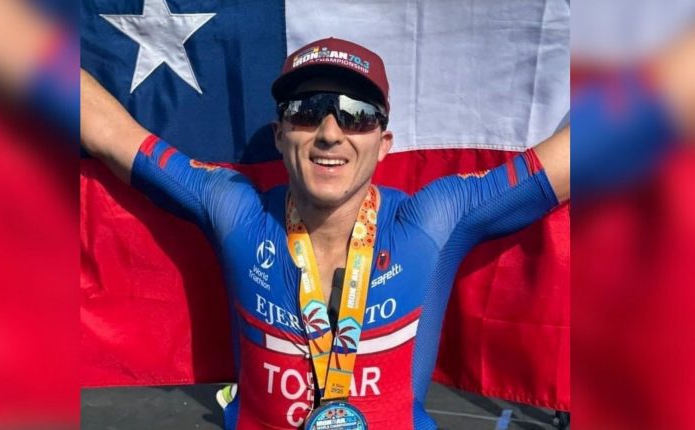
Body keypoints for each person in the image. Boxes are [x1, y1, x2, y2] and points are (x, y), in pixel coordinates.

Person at [81, 37, 569, 430]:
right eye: (307, 110)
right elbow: (109, 134)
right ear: (280, 135)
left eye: (357, 114)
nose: (330, 133)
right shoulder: (234, 209)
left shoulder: (432, 221)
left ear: (383, 143)